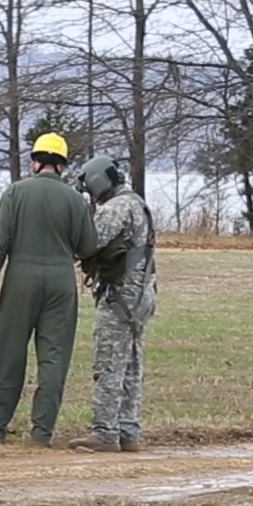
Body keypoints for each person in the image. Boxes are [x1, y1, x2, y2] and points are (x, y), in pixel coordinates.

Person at [0, 132, 97, 455]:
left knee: (8, 353)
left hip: (21, 278)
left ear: (36, 161)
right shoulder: (75, 200)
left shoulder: (16, 193)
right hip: (60, 281)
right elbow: (88, 247)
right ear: (62, 166)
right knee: (54, 357)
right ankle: (41, 432)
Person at [68, 156, 158, 454]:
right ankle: (128, 431)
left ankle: (105, 432)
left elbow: (88, 243)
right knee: (131, 362)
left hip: (120, 296)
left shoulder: (116, 208)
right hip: (141, 294)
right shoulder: (136, 203)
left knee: (108, 362)